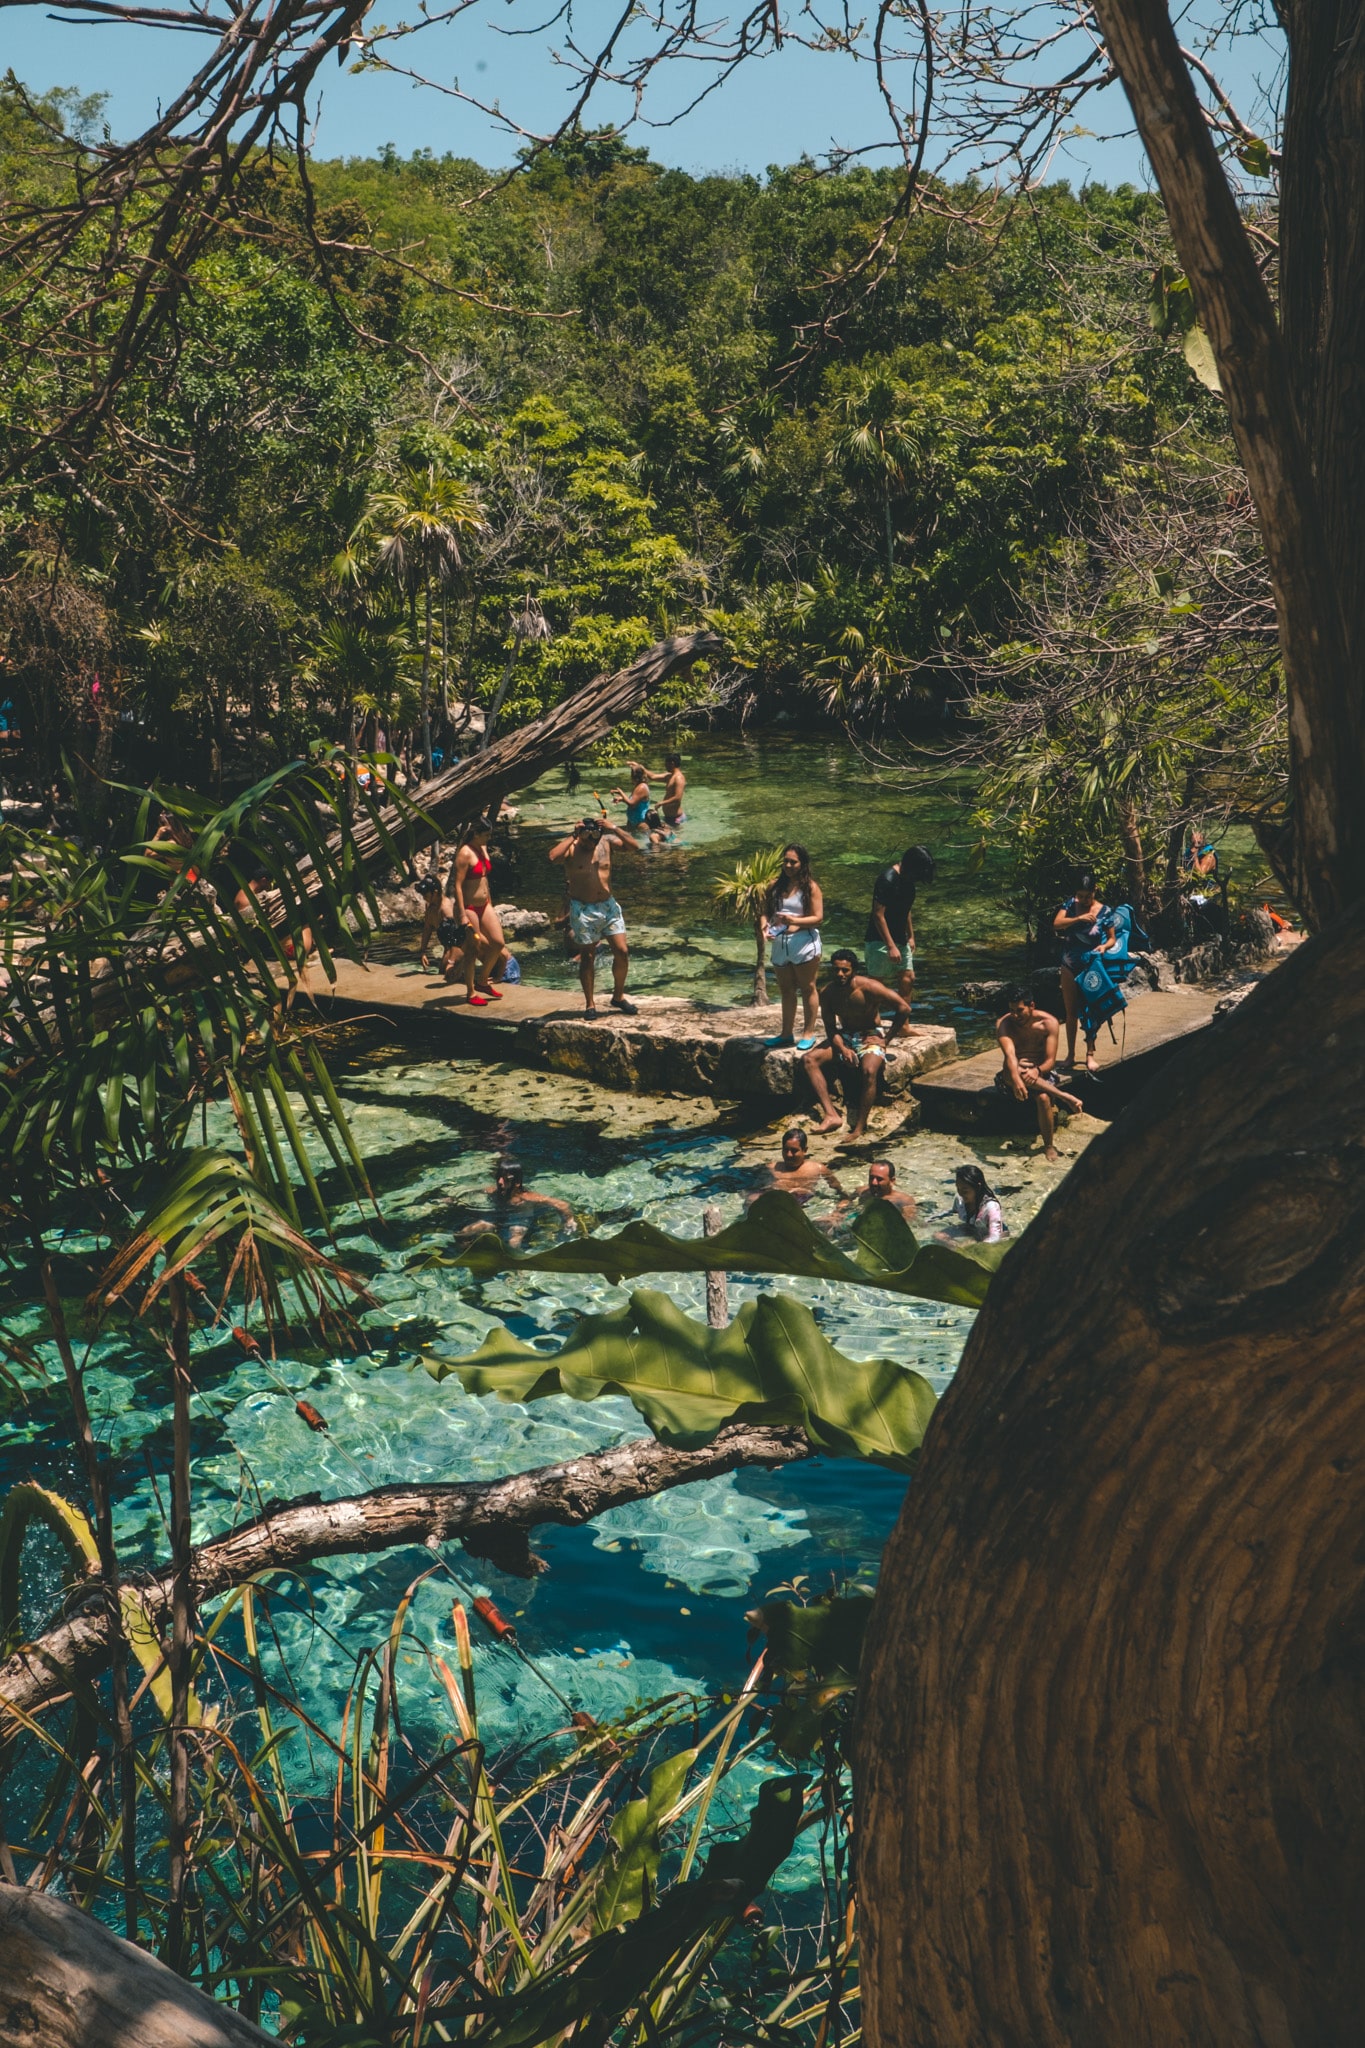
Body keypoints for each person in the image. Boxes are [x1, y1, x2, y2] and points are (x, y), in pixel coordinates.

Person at [802, 948, 911, 1140]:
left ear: (854, 970)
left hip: (870, 1035)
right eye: (836, 970)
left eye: (845, 970)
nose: (840, 974)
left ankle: (859, 1127)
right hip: (845, 1036)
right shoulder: (827, 993)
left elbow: (904, 1008)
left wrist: (886, 1040)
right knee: (810, 1060)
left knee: (869, 1071)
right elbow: (830, 1028)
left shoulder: (869, 987)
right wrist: (842, 1049)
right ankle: (831, 1115)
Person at [548, 815, 640, 1019]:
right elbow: (553, 857)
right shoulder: (572, 847)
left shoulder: (606, 843)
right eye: (588, 837)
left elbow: (634, 846)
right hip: (583, 908)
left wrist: (613, 827)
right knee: (588, 956)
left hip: (608, 906)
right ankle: (590, 1004)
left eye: (596, 836)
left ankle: (618, 997)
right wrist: (573, 834)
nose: (592, 841)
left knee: (622, 951)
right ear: (580, 834)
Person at [995, 984, 1084, 1161]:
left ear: (1032, 1006)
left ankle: (1048, 1146)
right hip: (1011, 1072)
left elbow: (1050, 1061)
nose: (1015, 1015)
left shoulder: (1049, 1023)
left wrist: (1037, 1070)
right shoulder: (1004, 1024)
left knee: (1043, 1098)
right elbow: (1010, 1055)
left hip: (1040, 1072)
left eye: (1019, 1010)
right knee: (1017, 1069)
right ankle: (1065, 1096)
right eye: (1011, 1010)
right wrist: (1016, 1078)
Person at [1053, 868, 1119, 1076]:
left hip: (1091, 964)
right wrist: (1078, 920)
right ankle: (1071, 1055)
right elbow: (1056, 924)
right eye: (1080, 896)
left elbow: (1111, 938)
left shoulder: (1105, 911)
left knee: (1090, 1010)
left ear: (1095, 891)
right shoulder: (1070, 905)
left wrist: (1104, 947)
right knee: (1070, 1012)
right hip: (1069, 963)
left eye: (1087, 896)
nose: (1083, 900)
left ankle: (1090, 1053)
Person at [763, 844, 824, 1049]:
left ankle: (808, 1033)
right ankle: (786, 1033)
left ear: (803, 864)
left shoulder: (811, 888)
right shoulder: (774, 886)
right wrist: (764, 927)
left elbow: (818, 918)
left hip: (804, 943)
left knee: (808, 988)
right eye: (786, 861)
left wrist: (794, 921)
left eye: (793, 862)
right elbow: (764, 912)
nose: (788, 865)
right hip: (780, 943)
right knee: (786, 990)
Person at [441, 820, 509, 1005]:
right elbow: (458, 886)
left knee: (498, 943)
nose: (489, 838)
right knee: (473, 949)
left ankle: (482, 981)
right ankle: (471, 993)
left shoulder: (483, 847)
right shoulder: (464, 853)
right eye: (486, 835)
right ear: (476, 834)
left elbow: (484, 879)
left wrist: (490, 903)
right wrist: (461, 914)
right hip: (469, 907)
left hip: (484, 904)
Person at [456, 1157, 575, 1251]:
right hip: (497, 1218)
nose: (500, 1182)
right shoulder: (493, 1190)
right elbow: (471, 1192)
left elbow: (562, 1204)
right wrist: (451, 1199)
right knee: (464, 1234)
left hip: (518, 1220)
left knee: (513, 1245)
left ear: (517, 1183)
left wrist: (569, 1220)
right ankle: (467, 1257)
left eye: (505, 1179)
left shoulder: (527, 1196)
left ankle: (517, 1274)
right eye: (498, 1177)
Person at [865, 845, 932, 1009]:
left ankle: (903, 1025)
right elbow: (878, 915)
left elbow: (906, 909)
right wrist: (890, 946)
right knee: (876, 985)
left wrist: (911, 936)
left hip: (900, 938)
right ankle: (873, 1026)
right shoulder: (887, 879)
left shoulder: (908, 881)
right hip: (879, 940)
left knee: (908, 978)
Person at [750, 1125, 846, 1205]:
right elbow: (754, 1190)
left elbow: (841, 1193)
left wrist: (839, 1208)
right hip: (776, 1205)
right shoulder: (771, 1168)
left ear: (805, 1150)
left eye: (794, 1151)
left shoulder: (818, 1169)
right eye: (785, 1150)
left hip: (805, 1206)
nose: (789, 1155)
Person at [938, 1164, 1007, 1244]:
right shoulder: (959, 1199)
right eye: (958, 1188)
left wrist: (972, 1244)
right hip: (971, 1229)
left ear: (978, 1187)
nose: (960, 1194)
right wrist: (929, 1220)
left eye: (965, 1191)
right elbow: (952, 1211)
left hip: (988, 1234)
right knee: (939, 1236)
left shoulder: (991, 1207)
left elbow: (995, 1237)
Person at [836, 1158, 918, 1224]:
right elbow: (847, 1200)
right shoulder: (862, 1191)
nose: (873, 1182)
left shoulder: (904, 1201)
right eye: (871, 1177)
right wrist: (839, 1211)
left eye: (879, 1179)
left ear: (892, 1180)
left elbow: (909, 1226)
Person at [645, 752, 687, 831]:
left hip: (676, 818)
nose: (665, 766)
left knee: (675, 841)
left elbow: (677, 798)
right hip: (669, 817)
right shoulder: (669, 776)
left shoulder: (679, 778)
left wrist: (662, 803)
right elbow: (652, 777)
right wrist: (640, 767)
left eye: (666, 764)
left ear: (672, 763)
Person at [612, 763, 653, 835]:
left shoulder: (642, 787)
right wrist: (621, 799)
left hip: (640, 823)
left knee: (642, 844)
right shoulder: (638, 786)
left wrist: (620, 792)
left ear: (634, 777)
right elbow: (634, 800)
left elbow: (631, 804)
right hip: (632, 821)